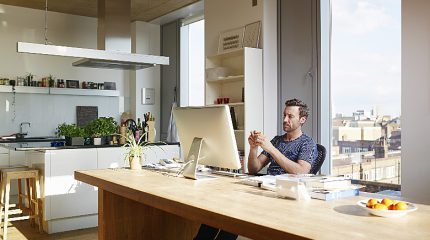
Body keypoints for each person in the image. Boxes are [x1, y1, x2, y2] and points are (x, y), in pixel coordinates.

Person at [194, 98, 317, 240]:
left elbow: (301, 171)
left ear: (302, 119)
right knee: (220, 207)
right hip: (266, 187)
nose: (285, 119)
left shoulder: (307, 143)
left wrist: (271, 149)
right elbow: (254, 168)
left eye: (290, 116)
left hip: (283, 193)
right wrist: (253, 148)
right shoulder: (277, 140)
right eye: (284, 115)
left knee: (235, 212)